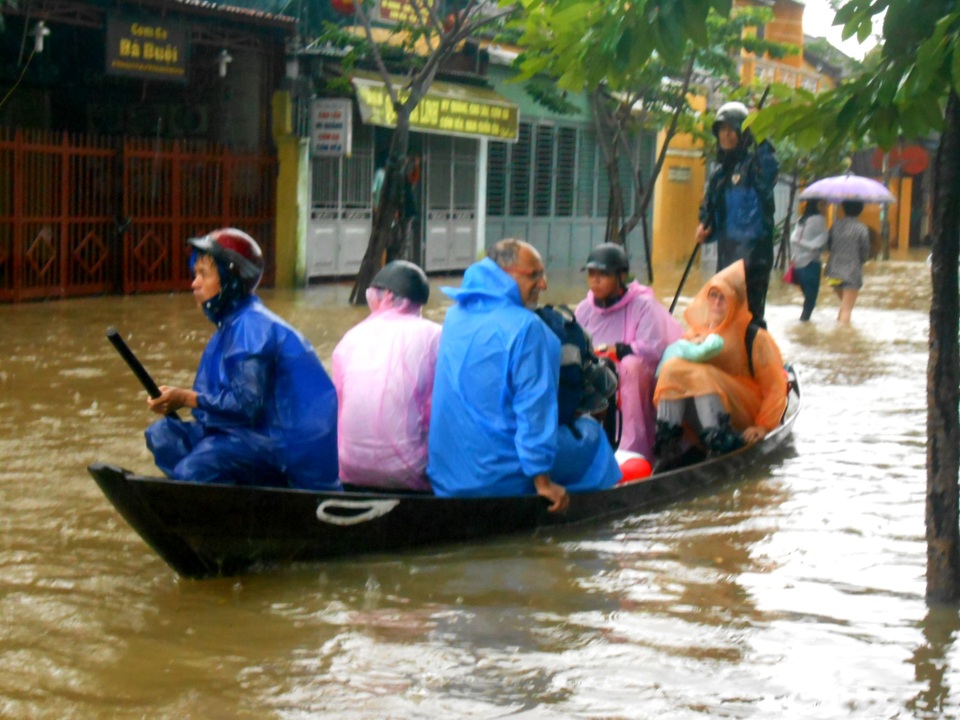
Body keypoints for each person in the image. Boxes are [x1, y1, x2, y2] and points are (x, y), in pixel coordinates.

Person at [427, 239, 621, 512]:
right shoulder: (529, 328)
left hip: (447, 476)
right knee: (593, 434)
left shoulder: (454, 318)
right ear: (505, 274)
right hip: (502, 477)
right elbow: (534, 412)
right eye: (534, 275)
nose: (543, 284)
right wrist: (543, 482)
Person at [144, 228, 340, 490]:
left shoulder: (251, 327)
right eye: (195, 274)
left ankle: (215, 492)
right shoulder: (231, 325)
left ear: (230, 279)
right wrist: (179, 400)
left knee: (195, 468)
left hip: (280, 445)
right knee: (162, 436)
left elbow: (246, 405)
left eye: (203, 274)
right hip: (247, 434)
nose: (194, 284)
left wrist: (186, 398)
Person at [653, 260, 787, 471]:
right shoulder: (695, 335)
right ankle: (668, 446)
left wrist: (763, 426)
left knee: (700, 374)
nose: (716, 303)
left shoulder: (755, 337)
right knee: (672, 368)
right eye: (713, 296)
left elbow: (776, 387)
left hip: (746, 413)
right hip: (706, 412)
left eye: (723, 298)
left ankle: (719, 443)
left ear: (735, 302)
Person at [332, 260, 440, 491]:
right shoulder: (435, 335)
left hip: (348, 467)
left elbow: (338, 409)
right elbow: (439, 412)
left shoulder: (350, 338)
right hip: (412, 472)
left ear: (388, 296)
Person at [574, 242, 683, 458]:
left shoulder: (643, 305)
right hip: (598, 375)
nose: (595, 280)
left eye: (603, 275)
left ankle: (634, 447)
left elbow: (652, 348)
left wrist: (616, 350)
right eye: (591, 274)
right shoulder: (584, 309)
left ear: (621, 276)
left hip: (638, 379)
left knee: (630, 365)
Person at [696, 101, 779, 325]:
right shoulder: (719, 175)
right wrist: (704, 225)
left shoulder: (755, 166)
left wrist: (759, 130)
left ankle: (756, 346)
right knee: (723, 315)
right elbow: (709, 210)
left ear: (744, 134)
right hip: (727, 255)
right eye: (722, 130)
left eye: (732, 130)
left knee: (750, 317)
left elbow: (769, 170)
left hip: (755, 258)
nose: (726, 135)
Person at [824, 200, 871, 324]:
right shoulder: (862, 228)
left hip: (832, 273)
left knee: (844, 306)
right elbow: (865, 252)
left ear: (844, 209)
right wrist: (861, 260)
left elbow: (828, 246)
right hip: (852, 273)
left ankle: (838, 330)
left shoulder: (835, 225)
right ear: (860, 210)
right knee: (847, 309)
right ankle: (842, 335)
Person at [789, 198, 829, 321]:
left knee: (808, 300)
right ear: (817, 205)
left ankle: (803, 326)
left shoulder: (802, 219)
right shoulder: (819, 220)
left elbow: (794, 239)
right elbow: (821, 242)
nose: (826, 207)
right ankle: (804, 327)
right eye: (824, 204)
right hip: (811, 264)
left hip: (797, 265)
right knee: (810, 303)